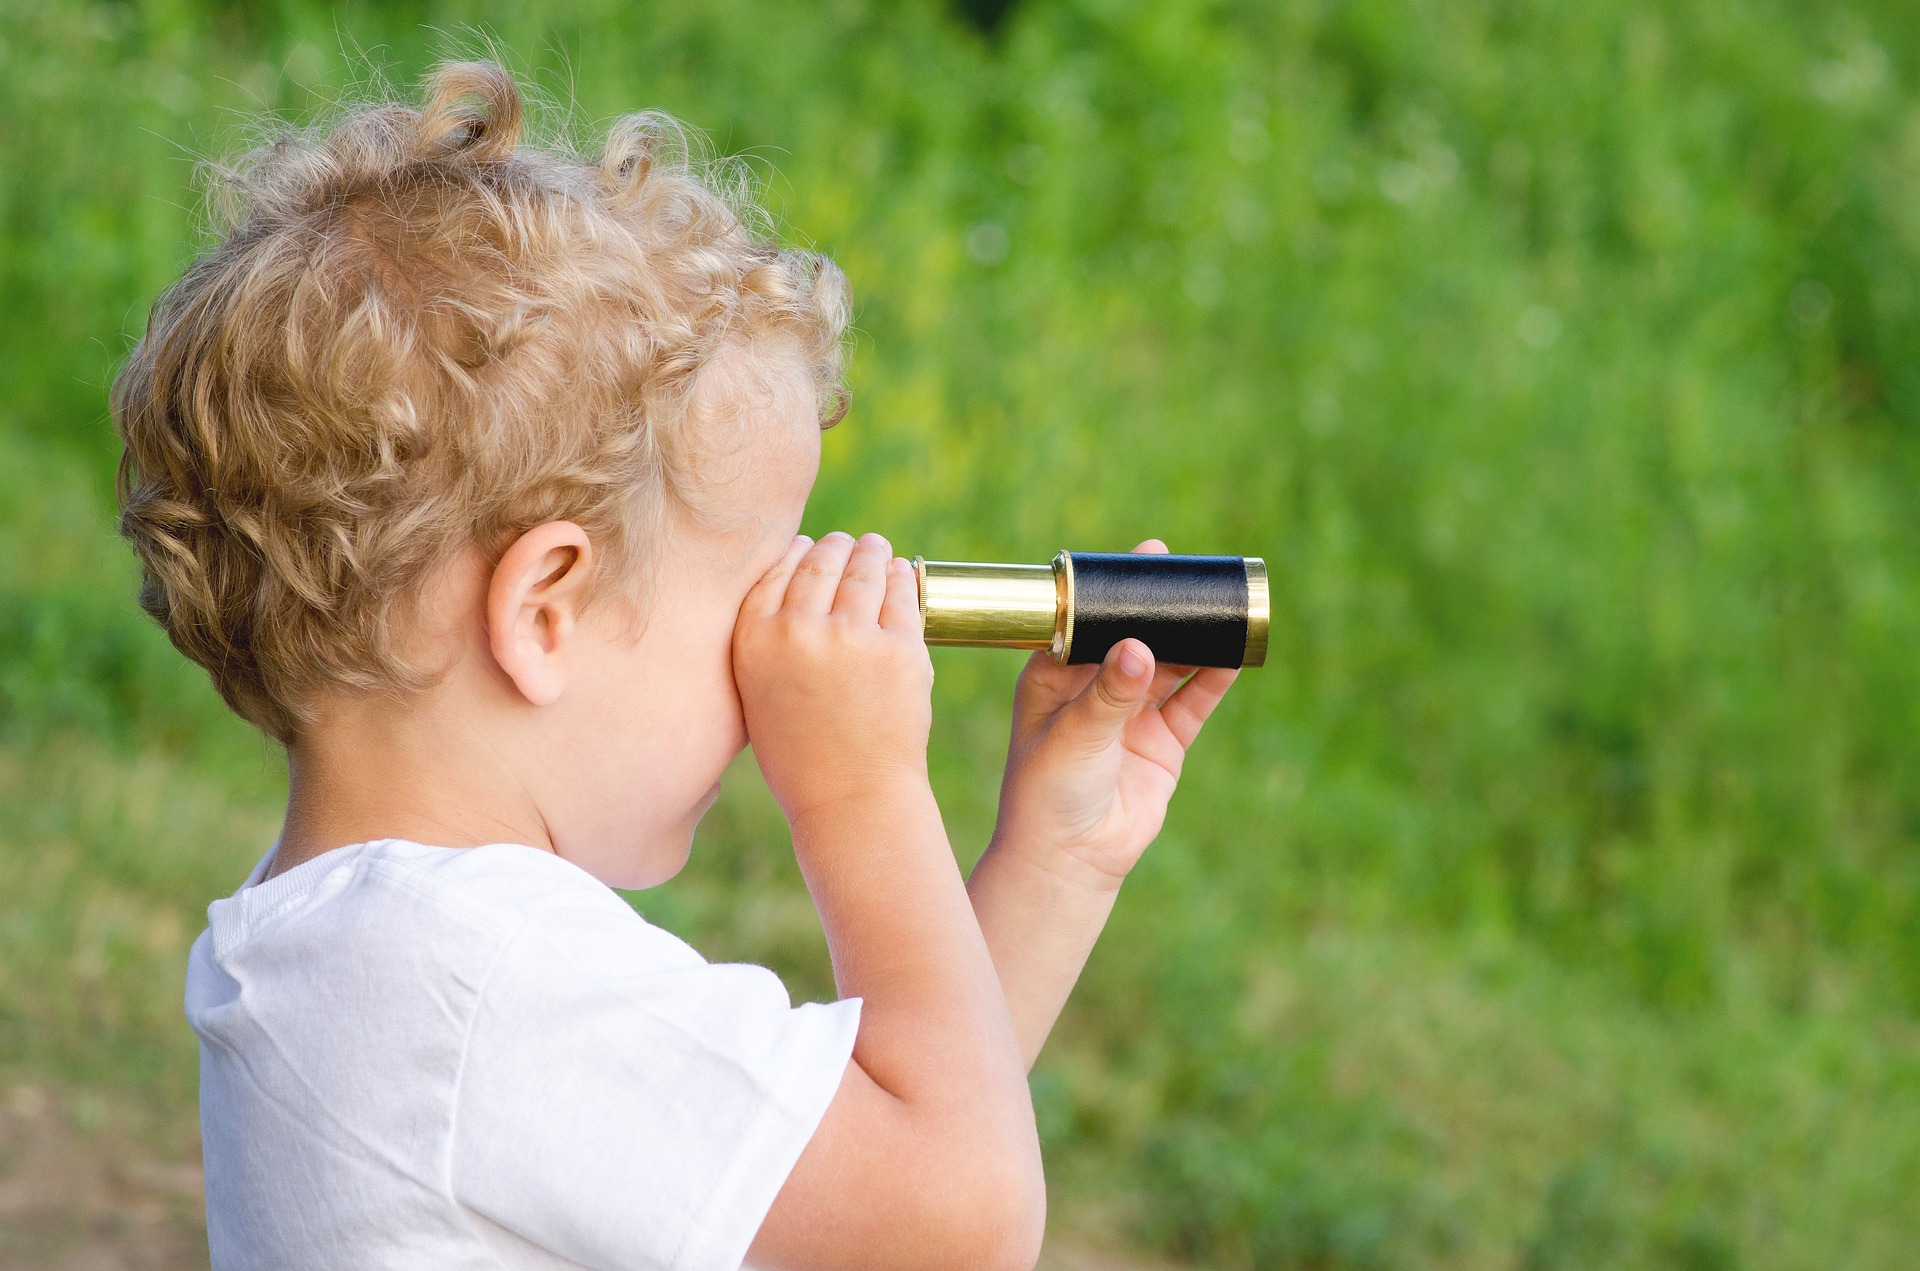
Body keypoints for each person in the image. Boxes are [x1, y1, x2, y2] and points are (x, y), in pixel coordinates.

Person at [112, 60, 1237, 1271]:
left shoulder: (351, 948)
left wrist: (1057, 858)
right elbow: (953, 1218)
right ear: (545, 606)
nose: (772, 662)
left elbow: (858, 1195)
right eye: (748, 588)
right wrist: (859, 789)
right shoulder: (478, 982)